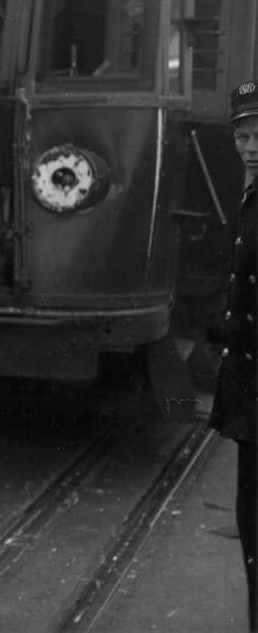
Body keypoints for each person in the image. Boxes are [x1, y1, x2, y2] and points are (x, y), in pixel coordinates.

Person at [212, 79, 258, 632]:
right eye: (243, 135)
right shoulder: (250, 195)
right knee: (252, 527)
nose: (251, 146)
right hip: (251, 393)